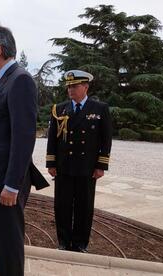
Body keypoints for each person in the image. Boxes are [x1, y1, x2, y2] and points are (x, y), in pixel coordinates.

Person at [0, 22, 48, 276]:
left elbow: (24, 136)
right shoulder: (1, 81)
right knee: (0, 243)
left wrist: (12, 184)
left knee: (9, 245)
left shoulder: (20, 80)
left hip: (4, 182)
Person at [46, 70, 113, 253]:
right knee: (62, 206)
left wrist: (101, 166)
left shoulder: (99, 109)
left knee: (84, 207)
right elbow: (52, 138)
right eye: (68, 86)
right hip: (64, 167)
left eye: (74, 86)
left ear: (86, 87)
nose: (70, 90)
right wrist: (51, 163)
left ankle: (80, 243)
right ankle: (63, 241)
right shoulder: (59, 109)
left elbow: (106, 140)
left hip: (87, 168)